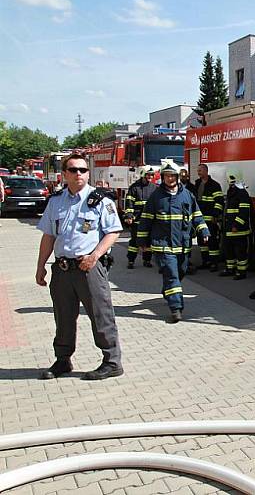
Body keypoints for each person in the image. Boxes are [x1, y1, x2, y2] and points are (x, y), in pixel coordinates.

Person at [35, 153, 124, 380]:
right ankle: (63, 360)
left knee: (100, 315)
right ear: (64, 174)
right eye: (73, 170)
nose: (79, 174)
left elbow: (113, 232)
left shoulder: (101, 200)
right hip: (63, 270)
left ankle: (112, 361)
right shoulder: (56, 202)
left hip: (89, 268)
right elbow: (48, 236)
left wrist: (94, 256)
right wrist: (41, 266)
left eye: (83, 170)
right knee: (63, 316)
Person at [137, 161, 209, 323]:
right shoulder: (156, 197)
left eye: (172, 176)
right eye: (167, 176)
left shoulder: (187, 195)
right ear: (162, 177)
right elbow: (146, 220)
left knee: (179, 273)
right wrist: (141, 240)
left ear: (177, 177)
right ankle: (176, 308)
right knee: (172, 275)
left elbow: (196, 215)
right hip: (162, 244)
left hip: (183, 244)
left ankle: (168, 290)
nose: (170, 179)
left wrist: (203, 230)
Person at [220, 170, 253, 280]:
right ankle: (230, 269)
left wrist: (236, 225)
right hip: (229, 228)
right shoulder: (231, 191)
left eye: (232, 182)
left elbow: (244, 211)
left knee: (240, 252)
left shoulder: (242, 193)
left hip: (238, 229)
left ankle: (241, 272)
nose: (230, 184)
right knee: (228, 250)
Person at [124, 167, 157, 269]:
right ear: (143, 174)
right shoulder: (134, 187)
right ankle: (131, 260)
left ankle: (147, 260)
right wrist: (129, 216)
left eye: (152, 175)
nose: (150, 177)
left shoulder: (154, 188)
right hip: (137, 219)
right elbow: (129, 203)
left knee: (148, 241)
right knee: (135, 241)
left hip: (149, 220)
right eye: (148, 175)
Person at [194, 163, 224, 271]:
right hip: (199, 218)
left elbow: (219, 202)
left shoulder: (214, 185)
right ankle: (205, 261)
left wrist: (215, 215)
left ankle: (214, 263)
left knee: (212, 241)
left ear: (206, 171)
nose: (198, 172)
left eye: (200, 170)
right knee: (202, 242)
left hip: (210, 218)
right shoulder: (197, 184)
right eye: (198, 171)